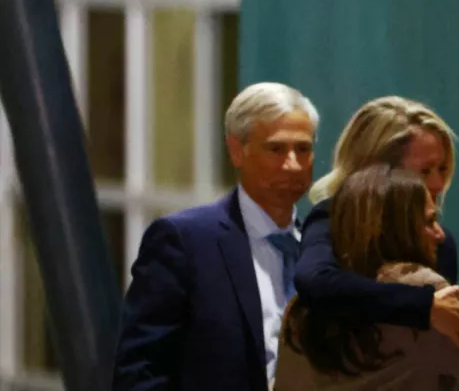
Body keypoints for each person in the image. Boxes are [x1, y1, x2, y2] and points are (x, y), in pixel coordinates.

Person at [113, 82, 320, 391]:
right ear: (237, 150)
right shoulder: (185, 242)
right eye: (276, 149)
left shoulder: (321, 247)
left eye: (303, 149)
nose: (293, 164)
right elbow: (140, 370)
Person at [274, 164, 459, 390]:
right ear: (396, 228)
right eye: (428, 221)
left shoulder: (299, 312)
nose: (440, 234)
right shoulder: (424, 287)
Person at [295, 96, 459, 350]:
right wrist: (423, 306)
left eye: (442, 169)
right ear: (377, 170)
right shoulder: (332, 218)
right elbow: (314, 282)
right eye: (424, 171)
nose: (438, 184)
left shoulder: (439, 241)